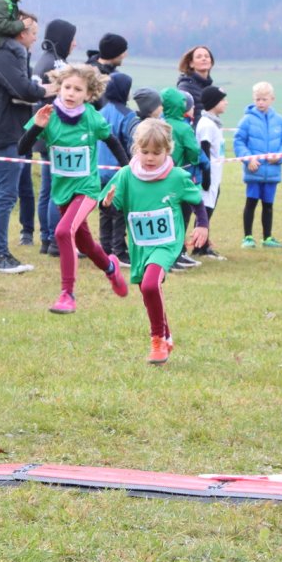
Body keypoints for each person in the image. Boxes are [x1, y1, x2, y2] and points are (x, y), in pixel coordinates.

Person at [17, 63, 130, 314]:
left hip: (87, 189)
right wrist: (37, 126)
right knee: (86, 243)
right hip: (62, 191)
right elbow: (21, 149)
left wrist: (127, 170)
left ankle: (67, 294)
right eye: (67, 87)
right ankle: (111, 268)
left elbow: (113, 141)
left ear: (88, 94)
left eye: (78, 89)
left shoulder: (92, 118)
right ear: (59, 88)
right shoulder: (48, 116)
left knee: (62, 231)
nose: (71, 93)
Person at [100, 118, 210, 364]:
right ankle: (166, 335)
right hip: (140, 245)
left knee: (150, 285)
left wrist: (202, 225)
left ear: (167, 151)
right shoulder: (126, 175)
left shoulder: (177, 177)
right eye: (145, 151)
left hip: (167, 243)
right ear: (135, 149)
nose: (150, 158)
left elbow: (196, 201)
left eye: (156, 153)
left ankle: (157, 340)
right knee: (148, 290)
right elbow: (111, 209)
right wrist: (107, 204)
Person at [0, 13, 52, 275]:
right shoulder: (6, 55)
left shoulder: (5, 55)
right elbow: (21, 89)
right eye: (33, 32)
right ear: (21, 31)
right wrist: (48, 90)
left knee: (3, 193)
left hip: (5, 131)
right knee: (6, 195)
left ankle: (0, 250)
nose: (35, 38)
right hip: (5, 132)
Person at [32, 19, 77, 254]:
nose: (75, 44)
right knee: (57, 188)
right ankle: (53, 239)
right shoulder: (57, 65)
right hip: (55, 133)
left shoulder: (45, 60)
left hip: (44, 132)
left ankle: (45, 238)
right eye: (72, 39)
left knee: (48, 187)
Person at [233, 82, 282, 249]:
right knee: (251, 203)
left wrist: (279, 156)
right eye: (257, 99)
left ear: (272, 99)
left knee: (268, 206)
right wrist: (249, 159)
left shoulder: (280, 121)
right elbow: (239, 142)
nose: (260, 102)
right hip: (254, 172)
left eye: (264, 99)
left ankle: (267, 237)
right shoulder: (246, 120)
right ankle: (248, 237)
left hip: (272, 173)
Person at [161, 87, 204, 268]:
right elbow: (193, 150)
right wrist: (194, 161)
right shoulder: (184, 128)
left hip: (160, 174)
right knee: (181, 216)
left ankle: (171, 253)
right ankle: (176, 254)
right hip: (180, 174)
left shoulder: (159, 123)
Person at [96, 72, 136, 261]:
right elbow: (131, 143)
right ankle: (119, 250)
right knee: (120, 210)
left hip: (98, 171)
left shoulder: (99, 113)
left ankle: (105, 248)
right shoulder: (127, 115)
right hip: (119, 171)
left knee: (104, 209)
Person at [193, 84, 229, 259]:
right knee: (205, 211)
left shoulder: (214, 123)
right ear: (214, 102)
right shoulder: (207, 124)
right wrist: (206, 177)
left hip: (216, 175)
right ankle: (200, 247)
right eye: (222, 100)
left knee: (209, 210)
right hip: (209, 175)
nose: (226, 103)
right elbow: (204, 150)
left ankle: (203, 243)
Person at [175, 45, 216, 125]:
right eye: (199, 57)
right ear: (191, 64)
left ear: (211, 62)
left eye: (207, 56)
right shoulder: (185, 86)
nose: (204, 59)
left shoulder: (210, 87)